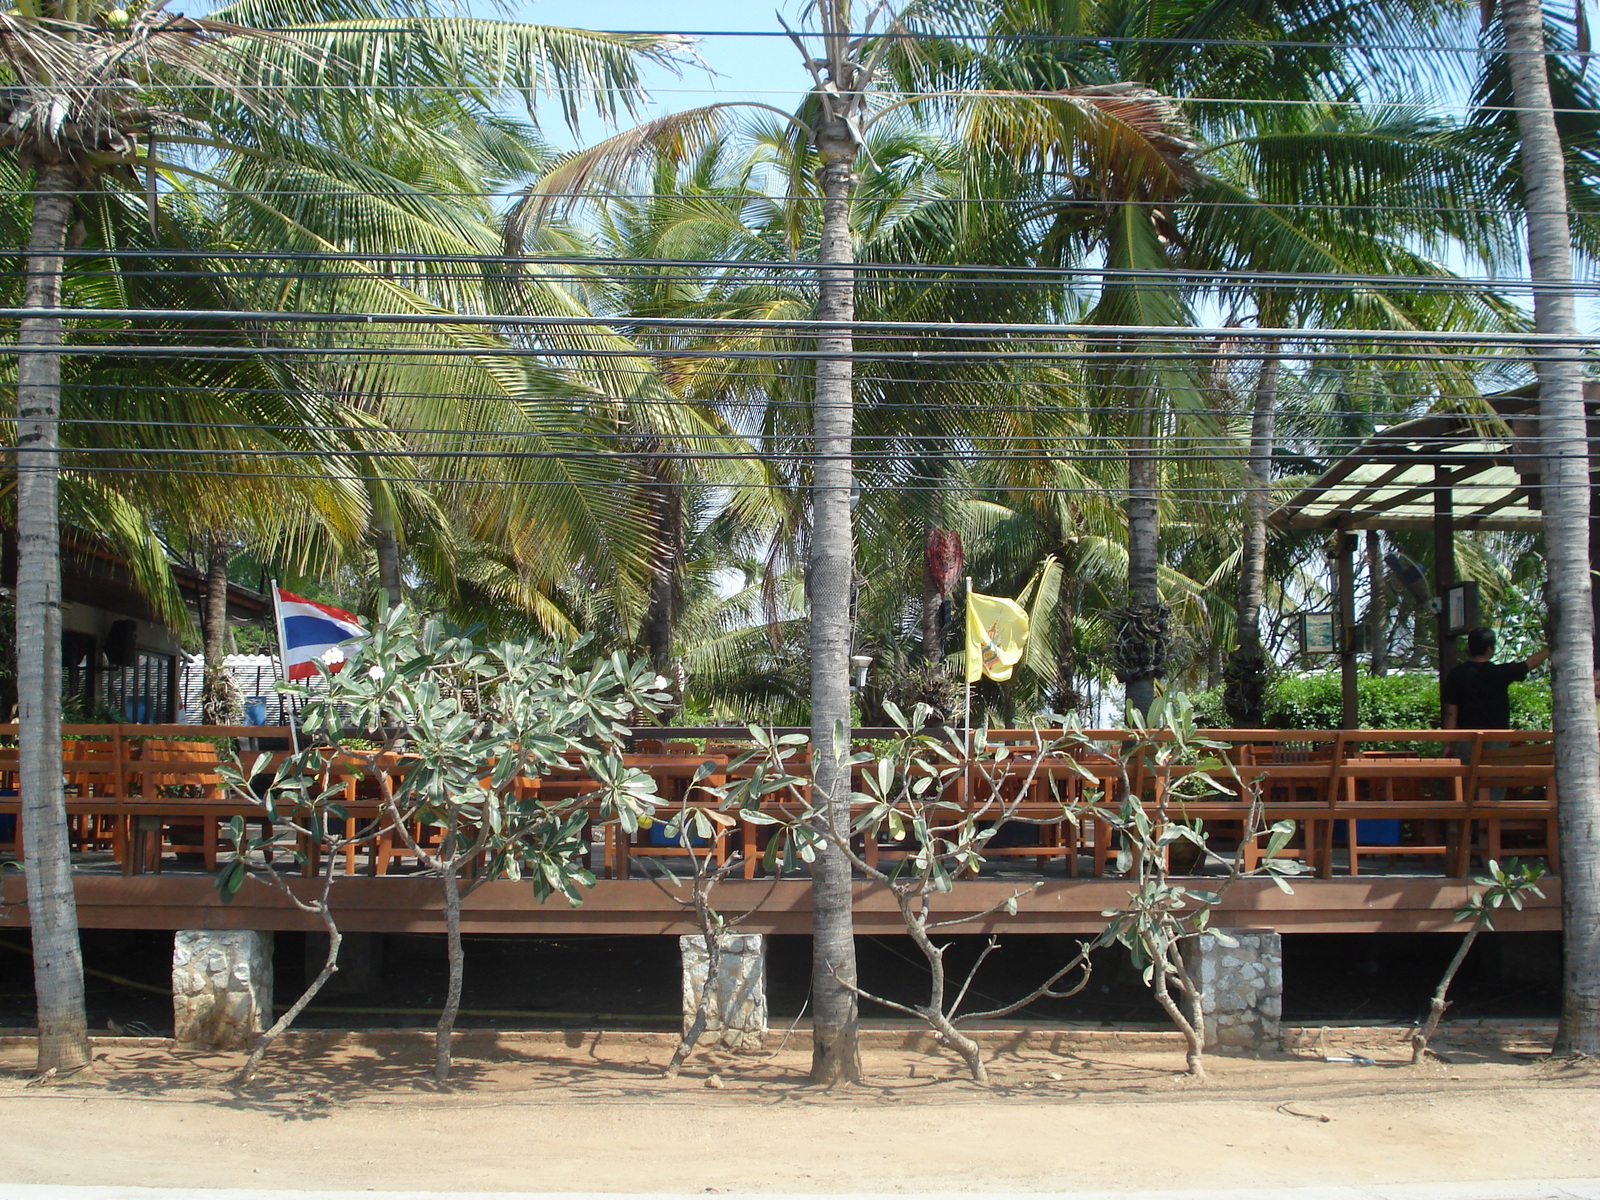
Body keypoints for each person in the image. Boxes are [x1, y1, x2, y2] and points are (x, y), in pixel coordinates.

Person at [1441, 628, 1548, 731]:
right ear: (1489, 649)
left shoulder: (1456, 674)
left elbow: (1451, 712)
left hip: (1468, 738)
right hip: (1497, 738)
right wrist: (1550, 648)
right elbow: (1531, 662)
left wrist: (1448, 744)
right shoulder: (1501, 672)